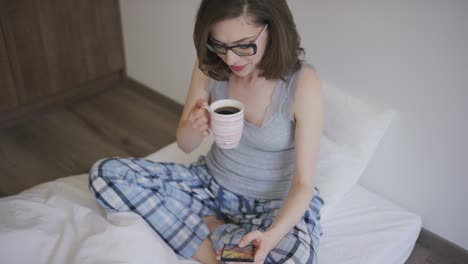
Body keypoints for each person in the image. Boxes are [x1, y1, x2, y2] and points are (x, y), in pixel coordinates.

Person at [88, 0, 324, 263]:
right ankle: (212, 247)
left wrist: (271, 236)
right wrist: (193, 126)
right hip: (211, 186)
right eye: (219, 45)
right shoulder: (210, 67)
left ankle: (215, 231)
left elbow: (303, 184)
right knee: (106, 174)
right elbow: (185, 144)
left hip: (273, 205)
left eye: (243, 45)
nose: (231, 59)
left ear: (274, 30)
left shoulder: (302, 84)